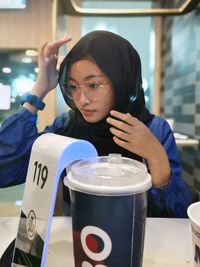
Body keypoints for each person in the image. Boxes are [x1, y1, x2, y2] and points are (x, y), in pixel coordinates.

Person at [0, 30, 192, 218]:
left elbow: (178, 218)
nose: (81, 99)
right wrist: (39, 88)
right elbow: (4, 170)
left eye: (93, 85)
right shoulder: (66, 127)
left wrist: (155, 156)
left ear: (121, 80)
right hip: (77, 242)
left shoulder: (153, 130)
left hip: (138, 242)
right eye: (73, 87)